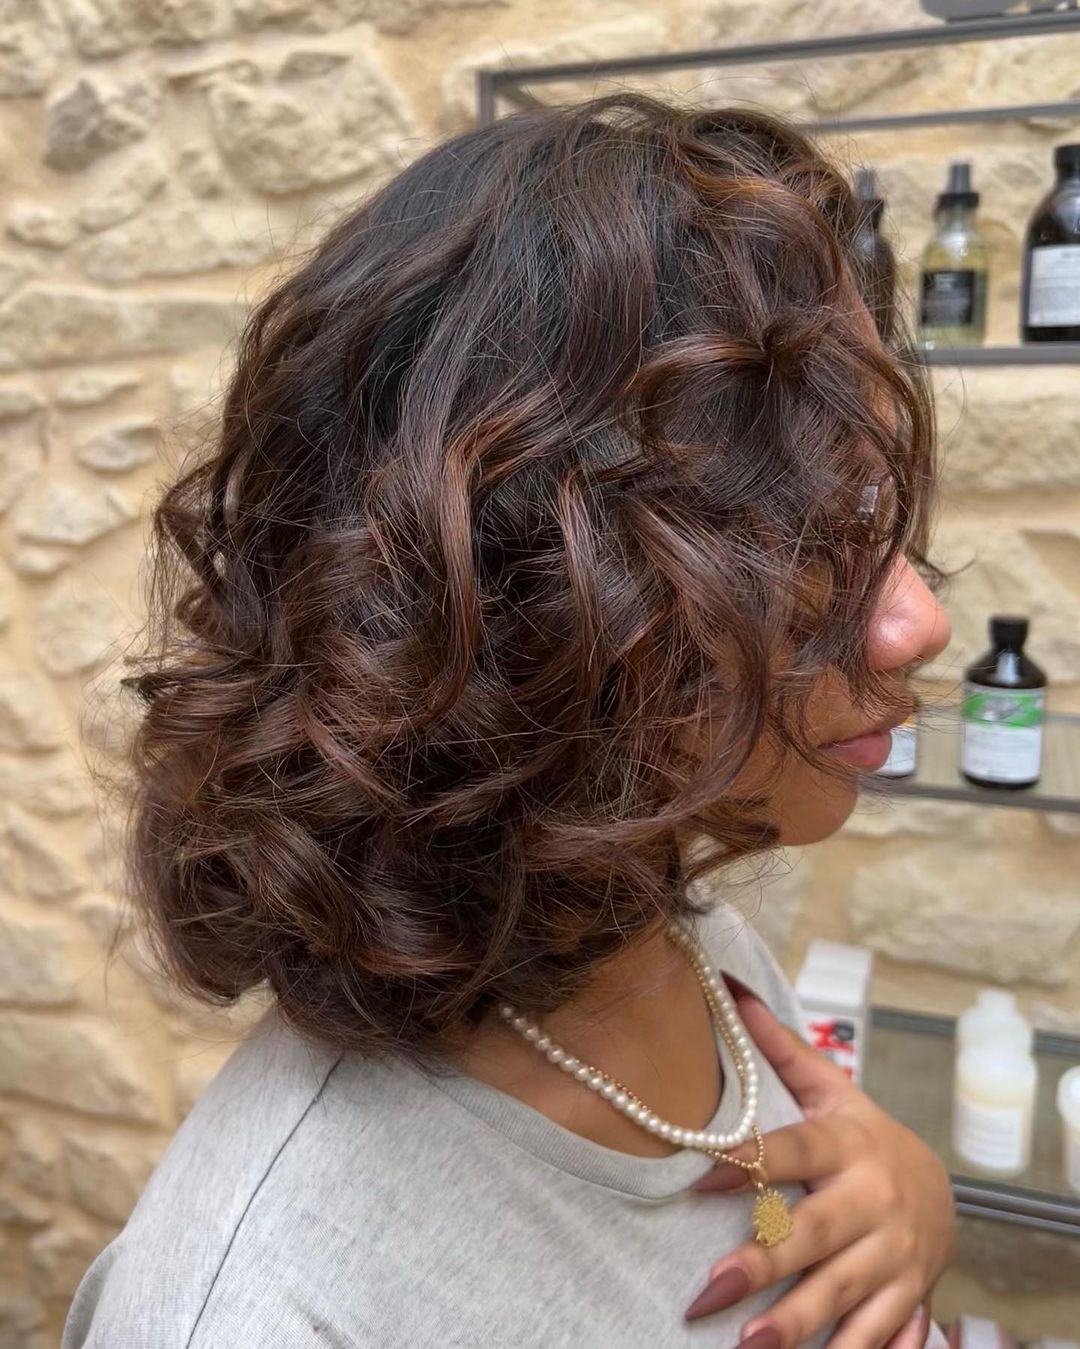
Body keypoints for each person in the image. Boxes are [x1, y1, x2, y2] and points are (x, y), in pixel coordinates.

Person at [63, 94, 956, 1348]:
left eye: (875, 515)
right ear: (530, 600)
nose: (920, 620)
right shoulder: (260, 1306)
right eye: (812, 533)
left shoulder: (664, 927)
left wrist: (911, 1195)